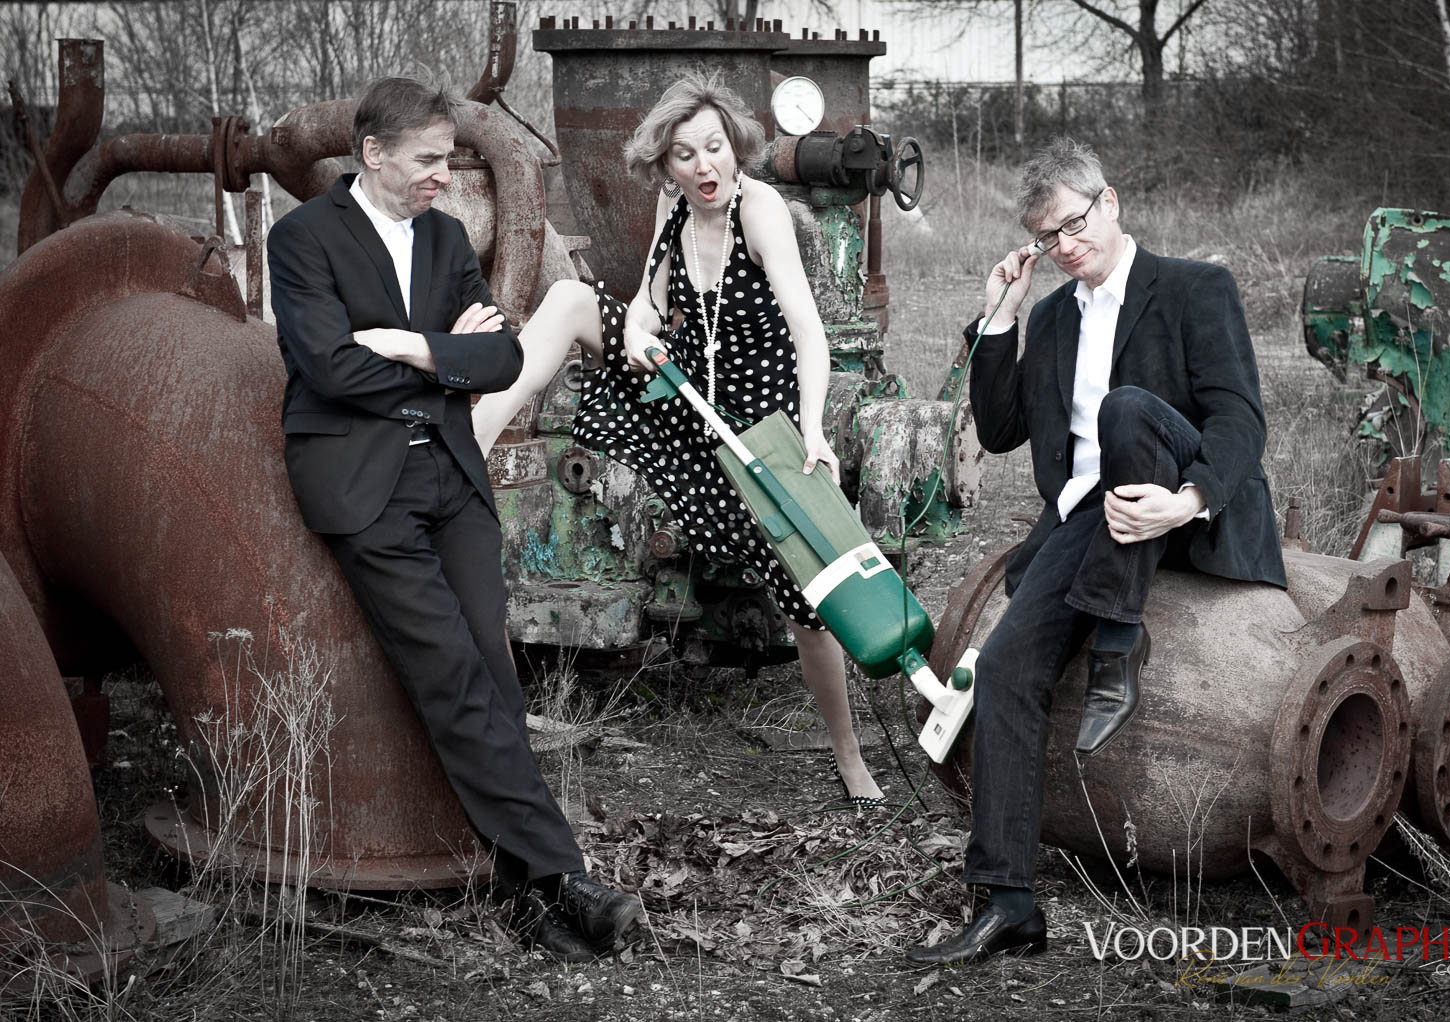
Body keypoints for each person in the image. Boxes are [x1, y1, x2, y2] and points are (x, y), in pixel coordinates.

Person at [267, 75, 641, 963]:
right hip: (363, 484)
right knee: (451, 673)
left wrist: (412, 346)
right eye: (428, 159)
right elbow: (329, 368)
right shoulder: (303, 238)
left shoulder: (442, 236)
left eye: (450, 158)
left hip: (449, 472)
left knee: (495, 677)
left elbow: (501, 357)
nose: (443, 175)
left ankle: (524, 899)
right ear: (374, 154)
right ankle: (567, 879)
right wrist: (448, 360)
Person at [904, 138, 1286, 968]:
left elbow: (1239, 418)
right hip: (1089, 521)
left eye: (1074, 225)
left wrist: (1187, 498)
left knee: (1125, 410)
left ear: (1109, 202)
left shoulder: (1195, 287)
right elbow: (1001, 431)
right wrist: (1000, 315)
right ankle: (1007, 903)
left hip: (1182, 505)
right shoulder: (1050, 318)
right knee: (1005, 670)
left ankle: (1117, 638)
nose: (1064, 246)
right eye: (1047, 238)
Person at [472, 72, 887, 808]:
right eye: (685, 155)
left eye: (714, 148)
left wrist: (814, 431)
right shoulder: (673, 207)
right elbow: (648, 304)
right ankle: (469, 440)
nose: (704, 166)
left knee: (808, 605)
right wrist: (637, 333)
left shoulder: (760, 212)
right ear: (664, 164)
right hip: (683, 398)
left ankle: (850, 757)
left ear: (736, 146)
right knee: (569, 298)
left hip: (757, 432)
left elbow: (809, 335)